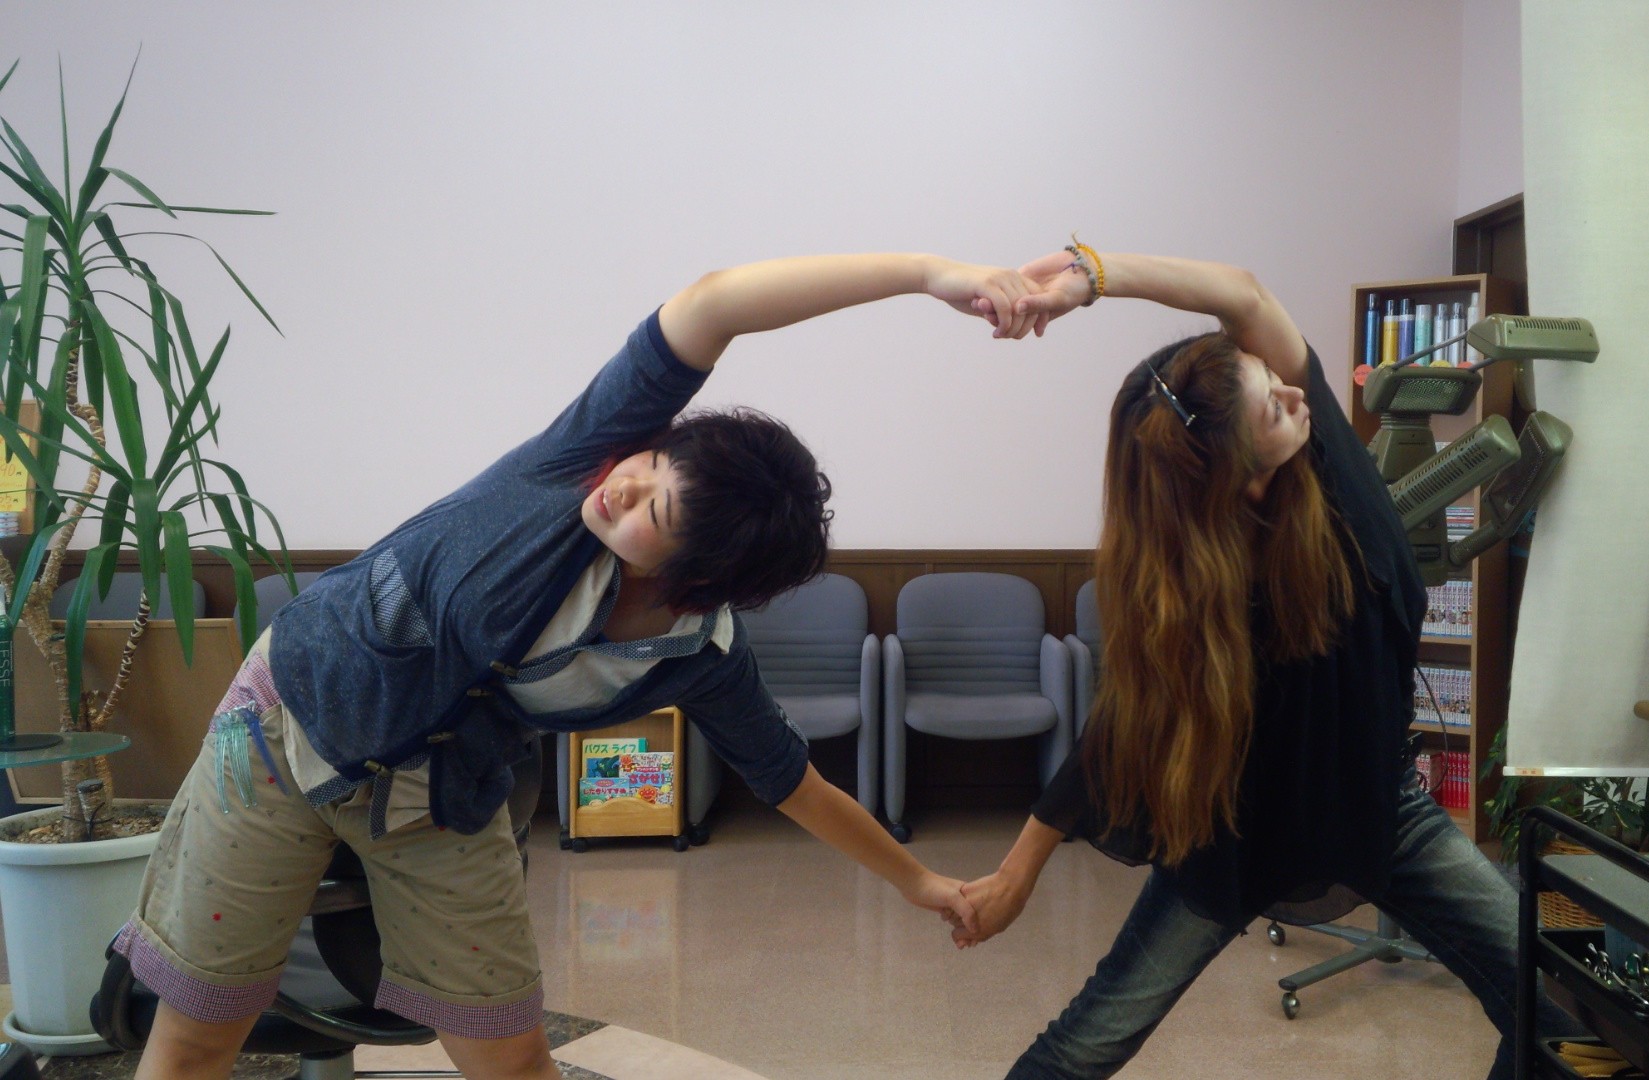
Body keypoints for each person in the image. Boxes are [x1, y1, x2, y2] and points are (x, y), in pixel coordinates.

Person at [118, 253, 1046, 1080]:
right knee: (198, 1037)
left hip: (437, 794)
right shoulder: (578, 460)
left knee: (513, 1059)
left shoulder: (697, 654)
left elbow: (795, 784)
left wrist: (921, 884)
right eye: (651, 464)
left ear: (696, 583)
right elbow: (715, 302)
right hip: (285, 727)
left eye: (655, 513)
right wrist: (929, 275)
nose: (623, 487)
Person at [951, 243, 1558, 1080]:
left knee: (1551, 1005)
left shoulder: (1328, 459)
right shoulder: (1206, 596)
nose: (1294, 392)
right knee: (1089, 1042)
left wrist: (1091, 278)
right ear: (1240, 478)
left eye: (1274, 378)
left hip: (1377, 807)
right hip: (1234, 832)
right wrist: (1017, 874)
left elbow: (1241, 295)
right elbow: (1118, 733)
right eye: (1273, 403)